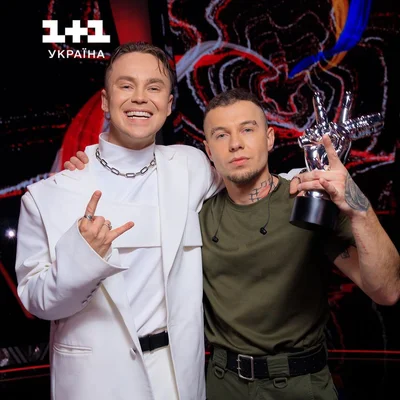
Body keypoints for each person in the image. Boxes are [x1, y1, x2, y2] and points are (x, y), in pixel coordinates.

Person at [15, 41, 228, 400]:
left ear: (169, 105)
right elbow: (35, 301)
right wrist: (81, 259)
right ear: (105, 100)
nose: (140, 97)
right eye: (126, 85)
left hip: (177, 378)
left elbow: (250, 183)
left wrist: (308, 178)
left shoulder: (191, 167)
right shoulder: (50, 196)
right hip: (96, 382)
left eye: (154, 87)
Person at [199, 89, 400, 399]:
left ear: (269, 138)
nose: (235, 143)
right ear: (209, 150)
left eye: (247, 129)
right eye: (221, 135)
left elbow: (387, 291)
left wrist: (359, 208)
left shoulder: (307, 201)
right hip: (223, 384)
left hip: (299, 383)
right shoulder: (197, 217)